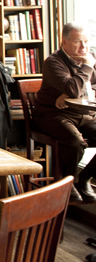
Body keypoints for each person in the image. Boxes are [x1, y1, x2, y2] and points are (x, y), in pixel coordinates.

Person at [34, 22, 96, 202]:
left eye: (86, 41)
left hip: (84, 115)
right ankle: (67, 181)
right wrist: (87, 67)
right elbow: (73, 89)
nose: (84, 47)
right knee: (75, 142)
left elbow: (78, 89)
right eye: (78, 42)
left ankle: (84, 179)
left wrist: (70, 92)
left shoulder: (89, 57)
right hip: (53, 114)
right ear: (65, 42)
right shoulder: (53, 62)